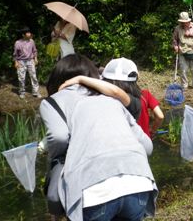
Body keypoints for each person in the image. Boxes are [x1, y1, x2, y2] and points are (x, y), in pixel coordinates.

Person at [40, 54, 157, 221]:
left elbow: (59, 138)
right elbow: (147, 146)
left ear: (57, 79)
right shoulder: (110, 98)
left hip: (94, 191)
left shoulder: (52, 102)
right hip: (138, 183)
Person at [172, 11, 193, 90]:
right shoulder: (177, 28)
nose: (183, 23)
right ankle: (184, 86)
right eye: (181, 22)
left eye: (184, 22)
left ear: (188, 21)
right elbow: (174, 39)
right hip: (182, 51)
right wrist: (175, 46)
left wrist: (191, 34)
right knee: (183, 70)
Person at [13, 26, 41, 99]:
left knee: (34, 77)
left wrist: (35, 58)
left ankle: (36, 92)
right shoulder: (17, 43)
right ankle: (22, 92)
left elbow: (34, 50)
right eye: (28, 33)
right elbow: (15, 54)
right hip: (21, 61)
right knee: (21, 78)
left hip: (30, 60)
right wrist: (16, 62)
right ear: (23, 34)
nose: (29, 34)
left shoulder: (31, 41)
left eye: (29, 32)